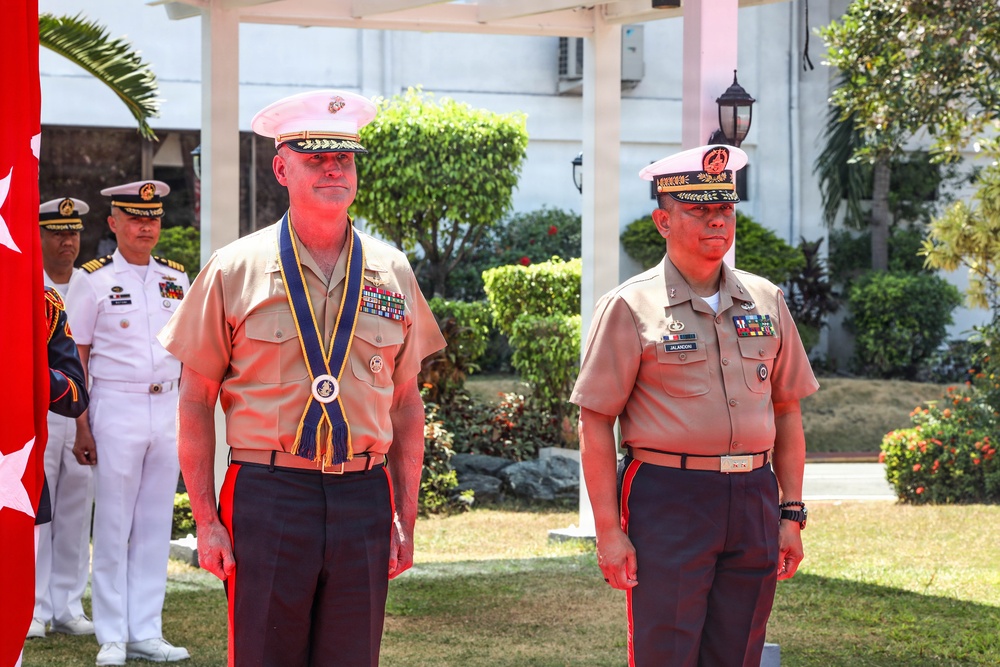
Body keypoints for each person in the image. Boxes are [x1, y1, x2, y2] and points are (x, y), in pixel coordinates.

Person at [157, 89, 446, 667]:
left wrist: (405, 517)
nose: (333, 169)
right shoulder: (233, 268)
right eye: (315, 158)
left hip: (364, 495)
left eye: (344, 158)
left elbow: (406, 403)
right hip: (269, 494)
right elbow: (194, 400)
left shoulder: (392, 270)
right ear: (282, 169)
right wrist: (206, 521)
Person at [571, 144, 819, 667]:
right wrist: (608, 531)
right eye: (699, 210)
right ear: (663, 220)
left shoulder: (766, 300)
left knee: (740, 650)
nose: (717, 221)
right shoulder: (629, 306)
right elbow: (594, 422)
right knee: (667, 650)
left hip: (754, 494)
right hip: (669, 496)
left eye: (725, 209)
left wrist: (791, 512)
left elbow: (787, 410)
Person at [65, 181, 191, 666]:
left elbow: (187, 348)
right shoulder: (92, 279)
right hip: (115, 406)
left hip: (167, 405)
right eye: (135, 218)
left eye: (153, 218)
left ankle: (146, 631)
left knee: (156, 525)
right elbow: (77, 356)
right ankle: (113, 634)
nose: (146, 227)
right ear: (113, 223)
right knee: (114, 523)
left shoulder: (175, 278)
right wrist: (81, 424)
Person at [28, 198, 96, 641]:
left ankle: (68, 605)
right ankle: (33, 606)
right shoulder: (25, 284)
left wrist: (85, 424)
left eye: (72, 232)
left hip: (79, 410)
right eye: (56, 233)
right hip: (37, 417)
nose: (66, 241)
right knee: (37, 511)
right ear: (38, 236)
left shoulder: (92, 283)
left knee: (75, 511)